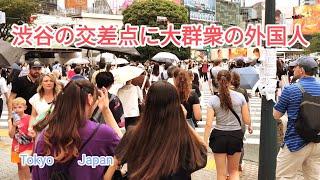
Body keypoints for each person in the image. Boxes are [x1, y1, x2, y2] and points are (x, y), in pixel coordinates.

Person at [105, 81, 207, 179]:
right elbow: (203, 153)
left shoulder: (133, 134)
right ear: (177, 107)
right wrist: (183, 120)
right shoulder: (183, 139)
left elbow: (109, 174)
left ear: (147, 104)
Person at [32, 80, 121, 180]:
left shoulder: (46, 134)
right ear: (90, 98)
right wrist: (106, 110)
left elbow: (36, 174)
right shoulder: (102, 133)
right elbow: (125, 149)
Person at [273, 56, 320, 179]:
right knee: (314, 177)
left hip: (296, 142)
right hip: (317, 141)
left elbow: (276, 115)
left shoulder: (291, 89)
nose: (293, 69)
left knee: (285, 176)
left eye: (296, 67)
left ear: (302, 70)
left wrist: (280, 96)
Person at [204, 70, 252, 180]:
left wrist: (205, 141)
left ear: (217, 81)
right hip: (235, 135)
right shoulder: (240, 97)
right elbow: (247, 120)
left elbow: (208, 123)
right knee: (234, 172)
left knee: (221, 174)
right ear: (231, 81)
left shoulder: (212, 100)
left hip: (219, 136)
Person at [8, 97, 33, 180]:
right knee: (19, 166)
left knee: (25, 165)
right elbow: (11, 135)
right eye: (14, 107)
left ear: (25, 107)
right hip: (16, 146)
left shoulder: (29, 118)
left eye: (19, 107)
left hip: (28, 146)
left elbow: (33, 132)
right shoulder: (11, 120)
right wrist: (14, 125)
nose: (17, 109)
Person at [230, 71, 250, 172]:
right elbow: (247, 108)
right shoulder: (242, 91)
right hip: (240, 121)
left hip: (228, 121)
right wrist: (250, 124)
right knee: (239, 143)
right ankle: (239, 163)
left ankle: (229, 164)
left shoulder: (224, 91)